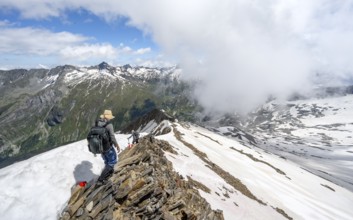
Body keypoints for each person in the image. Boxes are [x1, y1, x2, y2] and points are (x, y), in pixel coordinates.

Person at [97, 110, 120, 184]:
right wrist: (117, 145)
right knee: (112, 162)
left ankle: (108, 174)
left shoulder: (98, 123)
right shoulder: (109, 125)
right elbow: (112, 137)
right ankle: (101, 179)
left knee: (107, 161)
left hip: (100, 147)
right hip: (108, 147)